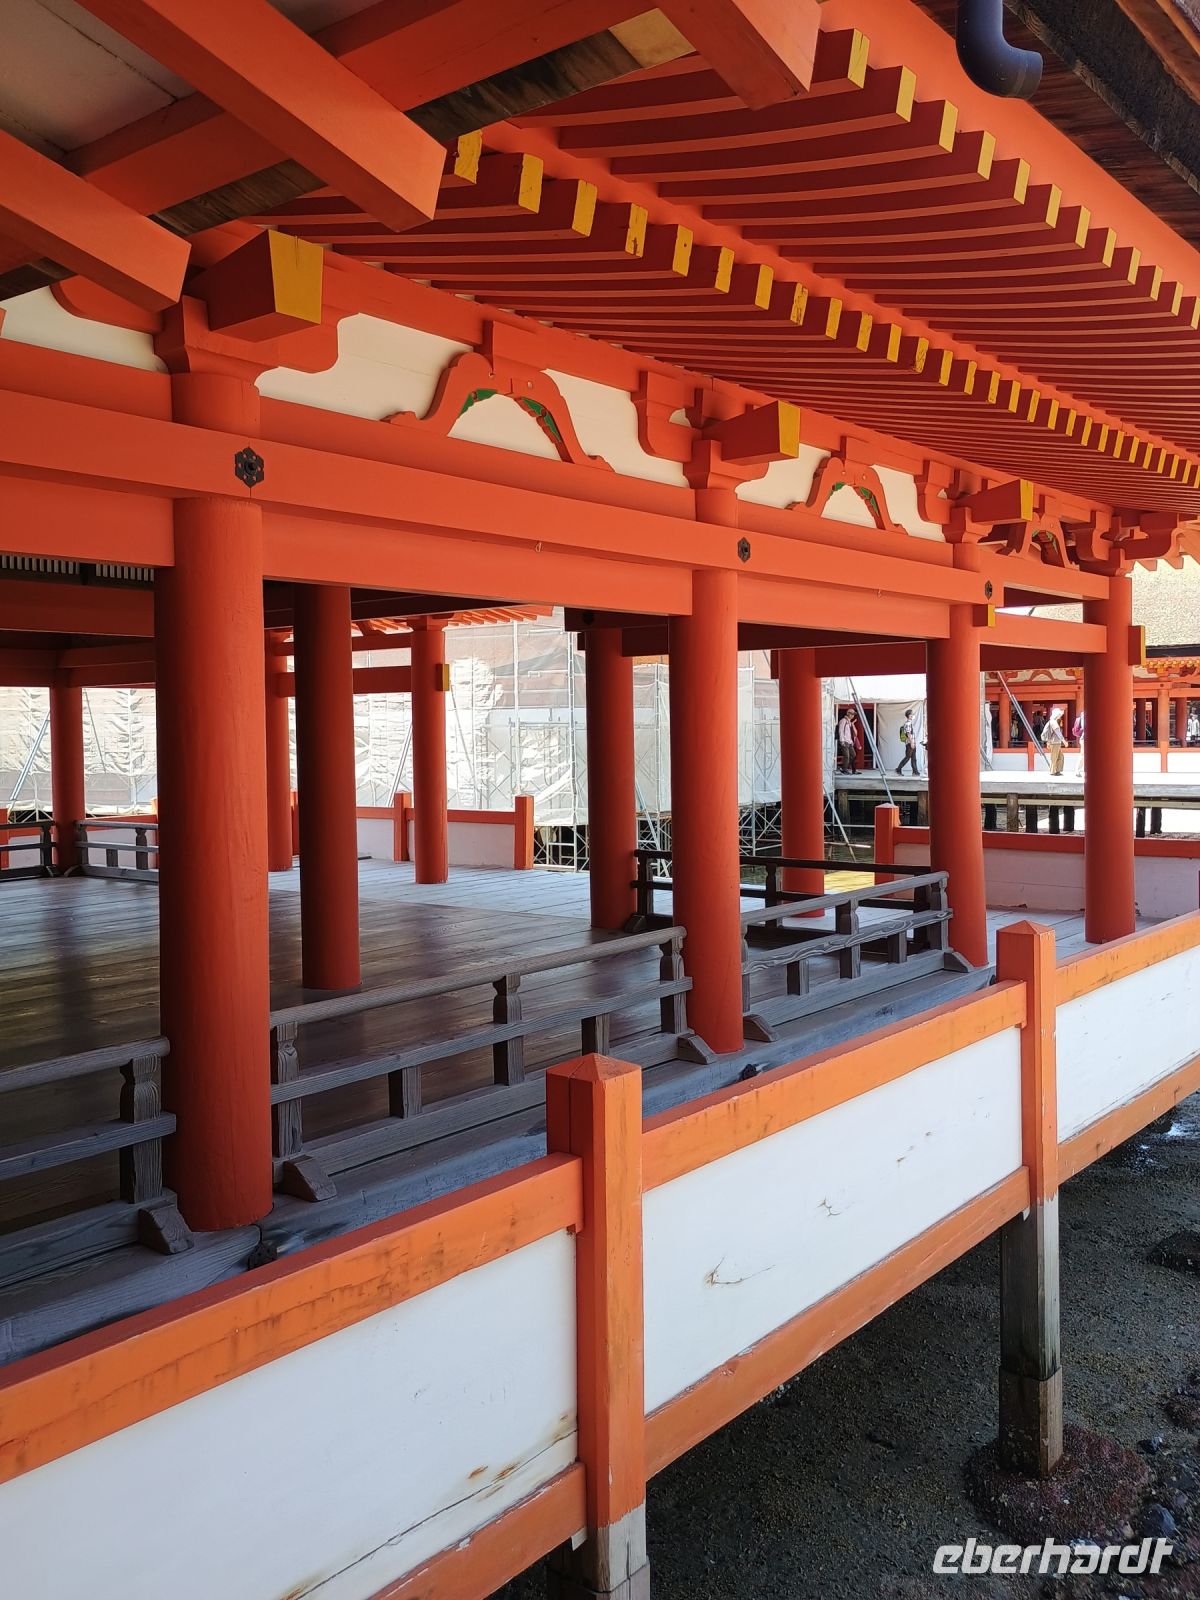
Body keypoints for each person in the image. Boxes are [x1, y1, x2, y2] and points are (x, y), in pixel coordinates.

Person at [896, 707, 920, 776]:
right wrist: (912, 742)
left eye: (912, 714)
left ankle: (915, 771)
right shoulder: (908, 724)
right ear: (908, 716)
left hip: (912, 742)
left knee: (914, 758)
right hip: (910, 742)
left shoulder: (909, 723)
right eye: (911, 715)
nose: (912, 716)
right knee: (908, 757)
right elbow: (908, 733)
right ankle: (898, 769)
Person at [1043, 705, 1066, 776]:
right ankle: (1053, 771)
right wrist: (1064, 741)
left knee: (1060, 756)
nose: (1060, 716)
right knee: (1054, 757)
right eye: (1059, 714)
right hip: (1055, 742)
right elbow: (1057, 732)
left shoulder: (1053, 721)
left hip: (1055, 742)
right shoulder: (1053, 722)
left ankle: (1057, 770)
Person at [836, 707, 857, 773]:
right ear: (848, 713)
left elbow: (851, 733)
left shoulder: (849, 722)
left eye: (853, 714)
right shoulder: (843, 721)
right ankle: (844, 769)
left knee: (853, 755)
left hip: (849, 741)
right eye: (851, 714)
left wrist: (851, 741)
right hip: (844, 741)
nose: (853, 715)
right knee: (846, 756)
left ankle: (853, 769)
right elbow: (841, 731)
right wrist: (842, 740)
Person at [1072, 709, 1086, 778]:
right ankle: (1078, 770)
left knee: (1082, 754)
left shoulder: (1083, 714)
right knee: (1083, 754)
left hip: (1083, 738)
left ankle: (1078, 770)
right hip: (1085, 738)